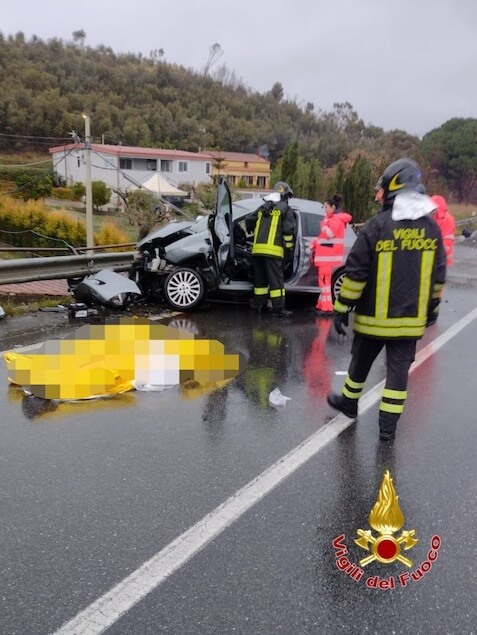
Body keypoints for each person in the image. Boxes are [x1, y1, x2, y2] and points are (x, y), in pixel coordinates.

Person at [326, 158, 447, 441]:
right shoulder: (432, 228)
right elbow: (438, 274)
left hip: (373, 321)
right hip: (409, 324)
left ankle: (349, 404)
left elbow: (356, 273)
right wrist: (433, 307)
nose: (377, 194)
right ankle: (387, 428)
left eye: (381, 188)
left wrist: (342, 308)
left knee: (359, 365)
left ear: (394, 187)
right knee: (397, 376)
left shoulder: (377, 226)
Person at [245, 181, 296, 318]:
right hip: (273, 252)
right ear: (285, 196)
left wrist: (253, 231)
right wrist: (289, 251)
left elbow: (249, 219)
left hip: (257, 251)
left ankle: (260, 305)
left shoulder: (263, 207)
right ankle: (278, 309)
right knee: (276, 282)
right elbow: (288, 233)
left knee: (260, 281)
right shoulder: (285, 209)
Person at [310, 195, 352, 316]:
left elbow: (329, 234)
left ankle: (327, 307)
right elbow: (325, 239)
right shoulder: (335, 219)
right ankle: (321, 305)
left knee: (324, 283)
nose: (325, 209)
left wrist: (323, 224)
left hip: (326, 257)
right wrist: (316, 243)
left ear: (333, 207)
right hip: (326, 257)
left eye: (326, 207)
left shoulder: (335, 220)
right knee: (324, 282)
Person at [430, 194, 455, 267]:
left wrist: (437, 255)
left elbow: (447, 241)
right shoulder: (435, 217)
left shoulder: (447, 219)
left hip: (442, 259)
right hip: (438, 257)